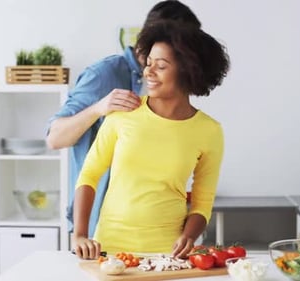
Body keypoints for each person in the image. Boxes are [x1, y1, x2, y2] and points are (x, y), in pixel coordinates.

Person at [73, 20, 230, 260]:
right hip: (111, 247)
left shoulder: (209, 131)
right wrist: (80, 235)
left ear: (188, 71)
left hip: (167, 253)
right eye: (148, 63)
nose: (148, 72)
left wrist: (189, 236)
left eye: (161, 66)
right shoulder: (122, 114)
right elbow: (89, 175)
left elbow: (202, 202)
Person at [46, 0, 202, 238]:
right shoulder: (104, 74)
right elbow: (55, 138)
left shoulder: (170, 80)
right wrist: (98, 108)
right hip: (103, 228)